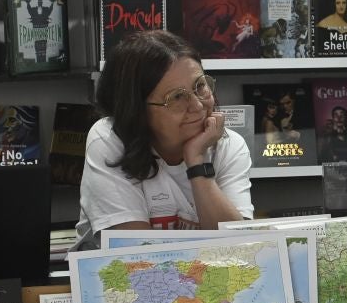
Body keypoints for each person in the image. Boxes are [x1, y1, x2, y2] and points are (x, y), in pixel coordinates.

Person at [79, 31, 253, 236]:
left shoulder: (229, 144)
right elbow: (133, 252)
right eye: (177, 97)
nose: (197, 105)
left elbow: (237, 244)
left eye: (200, 86)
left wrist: (197, 163)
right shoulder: (108, 139)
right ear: (137, 109)